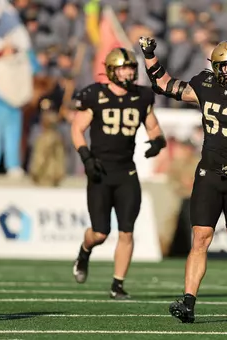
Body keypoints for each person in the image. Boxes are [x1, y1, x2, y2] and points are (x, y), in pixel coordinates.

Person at [138, 36, 227, 323]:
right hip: (209, 174)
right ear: (216, 68)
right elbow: (165, 84)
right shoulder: (205, 85)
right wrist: (150, 54)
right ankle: (188, 301)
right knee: (200, 238)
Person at [71, 47, 166, 299]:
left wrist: (157, 142)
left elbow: (154, 126)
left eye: (131, 68)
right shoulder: (95, 94)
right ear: (111, 71)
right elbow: (77, 128)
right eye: (122, 68)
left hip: (127, 173)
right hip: (100, 171)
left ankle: (117, 284)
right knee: (100, 233)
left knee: (126, 231)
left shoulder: (142, 96)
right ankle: (84, 250)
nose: (127, 73)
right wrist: (86, 157)